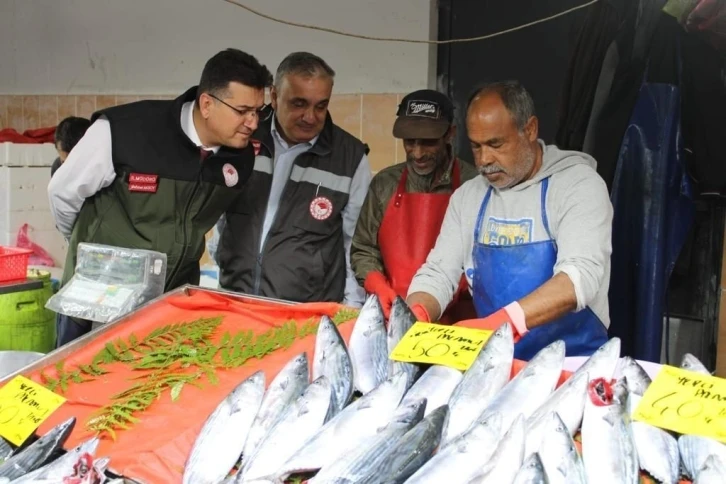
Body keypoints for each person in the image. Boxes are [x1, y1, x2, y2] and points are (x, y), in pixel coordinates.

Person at [48, 48, 272, 346]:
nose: (253, 122)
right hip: (96, 304)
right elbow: (62, 194)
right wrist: (86, 252)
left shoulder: (240, 158)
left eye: (258, 111)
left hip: (168, 306)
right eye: (242, 111)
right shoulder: (125, 131)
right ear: (207, 104)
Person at [406, 81, 613, 360]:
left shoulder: (578, 185)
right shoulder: (469, 196)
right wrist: (416, 311)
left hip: (573, 365)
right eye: (476, 147)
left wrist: (504, 321)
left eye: (495, 144)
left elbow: (578, 278)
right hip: (497, 364)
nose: (484, 160)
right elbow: (439, 272)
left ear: (529, 130)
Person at [215, 52, 371, 306]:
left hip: (305, 315)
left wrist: (350, 312)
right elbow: (222, 217)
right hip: (235, 302)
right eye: (299, 104)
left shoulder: (350, 158)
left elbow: (355, 245)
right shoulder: (243, 140)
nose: (310, 117)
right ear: (274, 97)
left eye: (321, 106)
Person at [350, 89, 478, 319]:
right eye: (410, 142)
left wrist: (457, 286)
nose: (417, 153)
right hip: (395, 313)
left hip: (460, 320)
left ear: (450, 134)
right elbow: (363, 249)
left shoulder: (473, 183)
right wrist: (378, 285)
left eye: (428, 143)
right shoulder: (384, 184)